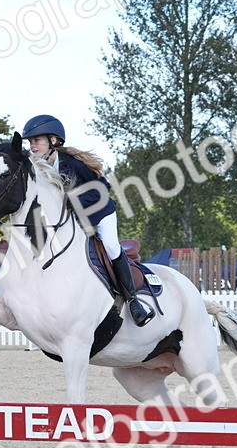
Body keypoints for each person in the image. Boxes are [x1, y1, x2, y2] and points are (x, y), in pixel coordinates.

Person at [23, 114, 154, 326]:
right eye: (30, 142)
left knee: (111, 247)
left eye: (36, 140)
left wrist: (70, 200)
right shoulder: (38, 167)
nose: (33, 145)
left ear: (53, 141)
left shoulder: (72, 163)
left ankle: (133, 301)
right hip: (75, 219)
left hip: (100, 213)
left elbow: (103, 188)